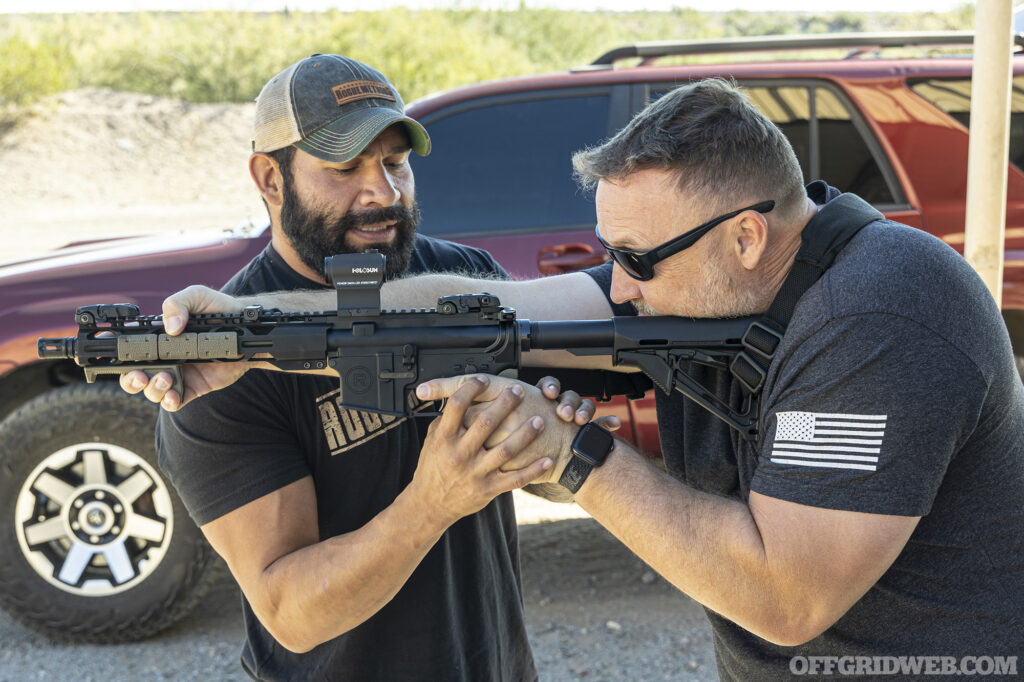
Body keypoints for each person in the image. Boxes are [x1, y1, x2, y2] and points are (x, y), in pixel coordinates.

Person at [128, 79, 1024, 680]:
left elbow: (785, 597)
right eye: (608, 254)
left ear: (745, 238)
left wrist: (572, 454)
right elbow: (491, 307)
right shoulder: (716, 281)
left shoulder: (878, 315)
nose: (617, 289)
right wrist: (250, 332)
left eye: (634, 259)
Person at [122, 54, 596, 682]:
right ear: (269, 177)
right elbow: (290, 613)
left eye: (395, 162)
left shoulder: (468, 280)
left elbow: (549, 479)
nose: (384, 193)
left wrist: (546, 447)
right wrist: (432, 503)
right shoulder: (224, 356)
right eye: (345, 166)